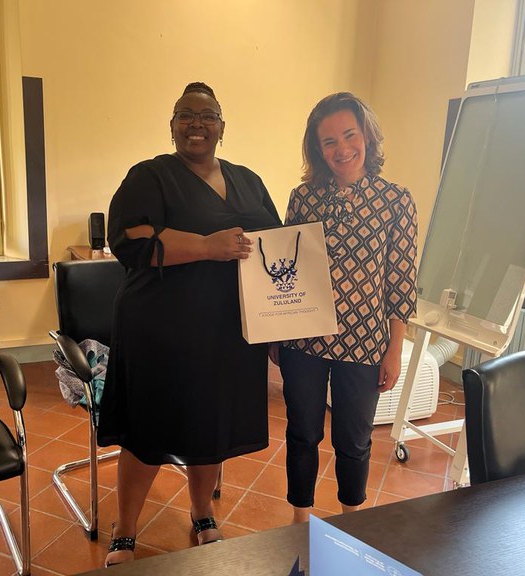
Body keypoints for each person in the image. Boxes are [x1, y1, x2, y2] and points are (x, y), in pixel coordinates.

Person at [98, 82, 281, 565]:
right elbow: (131, 239)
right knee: (147, 429)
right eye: (186, 114)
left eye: (207, 115)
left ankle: (202, 513)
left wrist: (278, 323)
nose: (196, 123)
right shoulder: (150, 176)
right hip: (160, 331)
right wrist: (206, 246)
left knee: (210, 425)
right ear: (172, 125)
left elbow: (276, 246)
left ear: (222, 126)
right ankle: (125, 529)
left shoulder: (248, 180)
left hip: (228, 332)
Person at [270, 93, 417, 523]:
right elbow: (288, 268)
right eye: (329, 141)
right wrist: (277, 332)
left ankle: (352, 521)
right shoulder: (303, 198)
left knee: (354, 440)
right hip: (304, 340)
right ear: (318, 149)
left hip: (366, 343)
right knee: (302, 433)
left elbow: (400, 281)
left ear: (367, 136)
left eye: (350, 135)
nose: (342, 149)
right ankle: (299, 521)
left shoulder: (396, 200)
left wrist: (394, 349)